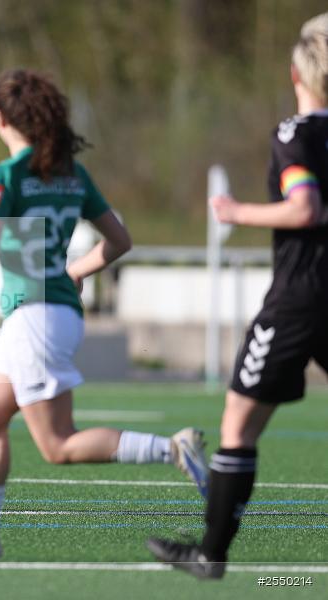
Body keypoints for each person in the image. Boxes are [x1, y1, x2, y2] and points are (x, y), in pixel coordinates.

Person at [0, 69, 209, 559]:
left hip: (35, 316)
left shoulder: (5, 176)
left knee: (57, 444)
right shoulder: (72, 174)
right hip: (52, 312)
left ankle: (173, 449)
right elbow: (120, 241)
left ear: (0, 119)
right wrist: (78, 270)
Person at [147, 30, 328, 579]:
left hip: (300, 300)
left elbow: (305, 209)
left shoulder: (293, 134)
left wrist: (234, 211)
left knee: (238, 423)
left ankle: (210, 553)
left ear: (295, 76)